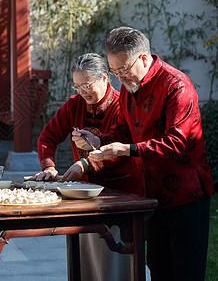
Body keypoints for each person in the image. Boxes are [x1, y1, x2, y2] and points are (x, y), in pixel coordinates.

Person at [72, 27, 214, 281]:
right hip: (150, 196)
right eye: (115, 72)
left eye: (124, 70)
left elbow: (178, 142)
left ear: (144, 59)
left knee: (186, 272)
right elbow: (123, 131)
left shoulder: (177, 85)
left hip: (186, 195)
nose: (120, 77)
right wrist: (98, 140)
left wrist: (127, 150)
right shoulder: (129, 88)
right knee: (158, 268)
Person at [33, 53, 143, 280]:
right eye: (77, 86)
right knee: (85, 258)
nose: (82, 92)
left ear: (105, 78)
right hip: (83, 196)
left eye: (86, 85)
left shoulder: (124, 103)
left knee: (117, 261)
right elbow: (47, 137)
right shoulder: (74, 105)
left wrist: (85, 164)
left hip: (121, 195)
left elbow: (123, 148)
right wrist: (49, 166)